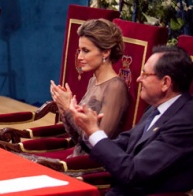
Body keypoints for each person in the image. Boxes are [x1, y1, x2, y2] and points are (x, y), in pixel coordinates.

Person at [69, 45, 193, 195]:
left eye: (145, 74)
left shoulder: (185, 121)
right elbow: (125, 143)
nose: (138, 79)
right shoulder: (156, 108)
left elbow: (133, 173)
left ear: (165, 82)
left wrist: (94, 131)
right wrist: (89, 130)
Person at [49, 18, 130, 157]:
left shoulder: (116, 87)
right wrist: (64, 109)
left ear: (105, 52)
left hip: (93, 169)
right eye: (79, 50)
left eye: (86, 51)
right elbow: (79, 140)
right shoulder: (93, 81)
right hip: (77, 159)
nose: (79, 57)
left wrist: (69, 109)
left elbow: (100, 143)